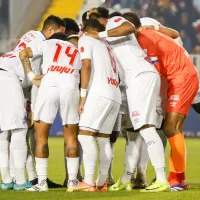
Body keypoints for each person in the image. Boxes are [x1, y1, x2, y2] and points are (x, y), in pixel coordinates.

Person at [86, 16, 169, 192]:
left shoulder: (112, 24)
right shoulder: (105, 41)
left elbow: (127, 27)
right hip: (135, 81)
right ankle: (126, 177)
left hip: (140, 77)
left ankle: (162, 178)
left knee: (146, 128)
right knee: (135, 132)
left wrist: (100, 34)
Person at [19, 32, 81, 192]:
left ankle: (41, 183)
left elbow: (23, 53)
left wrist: (32, 76)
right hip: (71, 86)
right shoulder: (76, 49)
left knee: (41, 136)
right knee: (71, 136)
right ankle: (72, 182)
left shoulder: (47, 43)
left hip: (49, 85)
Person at [10, 14, 66, 188]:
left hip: (16, 83)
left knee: (25, 131)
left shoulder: (32, 35)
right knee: (20, 131)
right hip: (15, 83)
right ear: (50, 30)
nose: (59, 39)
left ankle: (33, 177)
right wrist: (32, 77)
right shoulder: (42, 42)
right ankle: (14, 177)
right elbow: (23, 56)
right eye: (58, 34)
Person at [69, 19, 121, 192]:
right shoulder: (108, 47)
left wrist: (83, 96)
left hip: (99, 93)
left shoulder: (86, 39)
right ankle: (102, 182)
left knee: (85, 135)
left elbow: (86, 65)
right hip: (115, 93)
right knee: (103, 139)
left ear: (84, 29)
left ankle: (89, 181)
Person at [0, 49, 33, 190]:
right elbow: (28, 81)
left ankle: (6, 181)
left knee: (2, 137)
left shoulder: (6, 56)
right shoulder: (25, 53)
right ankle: (20, 182)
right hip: (10, 88)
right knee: (19, 132)